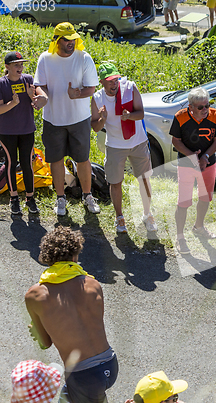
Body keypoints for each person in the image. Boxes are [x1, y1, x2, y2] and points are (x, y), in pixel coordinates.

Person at [25, 226, 118, 403]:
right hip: (110, 364)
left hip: (83, 376)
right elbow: (93, 324)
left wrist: (37, 330)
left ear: (46, 258)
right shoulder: (93, 284)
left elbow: (45, 343)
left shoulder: (34, 295)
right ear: (75, 256)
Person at [34, 22, 100, 217]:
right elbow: (40, 85)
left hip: (79, 119)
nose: (71, 42)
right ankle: (60, 198)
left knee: (83, 159)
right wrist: (43, 96)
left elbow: (91, 89)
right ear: (57, 40)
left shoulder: (84, 58)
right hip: (53, 119)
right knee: (56, 160)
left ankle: (88, 196)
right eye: (67, 39)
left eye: (73, 38)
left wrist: (76, 94)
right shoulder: (45, 59)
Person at [91, 62, 158, 234]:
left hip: (138, 142)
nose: (114, 84)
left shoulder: (130, 87)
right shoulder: (97, 98)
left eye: (116, 80)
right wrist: (103, 119)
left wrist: (130, 116)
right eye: (110, 81)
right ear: (102, 82)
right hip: (115, 146)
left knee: (144, 179)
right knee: (115, 182)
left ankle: (147, 214)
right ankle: (119, 217)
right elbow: (95, 128)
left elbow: (141, 113)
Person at [169, 87, 216, 255]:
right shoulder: (180, 116)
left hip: (208, 163)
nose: (205, 110)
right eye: (200, 107)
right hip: (187, 163)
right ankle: (180, 237)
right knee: (183, 202)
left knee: (205, 197)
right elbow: (176, 141)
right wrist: (192, 156)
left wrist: (205, 156)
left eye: (207, 105)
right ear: (190, 106)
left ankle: (199, 227)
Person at [0, 51, 47, 215]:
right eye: (16, 65)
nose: (20, 67)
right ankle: (14, 199)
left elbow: (40, 102)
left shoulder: (28, 80)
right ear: (7, 67)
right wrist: (13, 103)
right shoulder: (1, 83)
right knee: (11, 163)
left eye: (21, 64)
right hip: (6, 132)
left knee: (27, 164)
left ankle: (30, 198)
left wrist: (33, 97)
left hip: (27, 130)